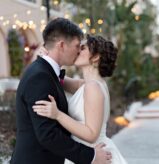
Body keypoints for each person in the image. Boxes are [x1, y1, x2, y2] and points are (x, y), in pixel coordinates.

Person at [11, 18, 111, 164]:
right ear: (62, 45)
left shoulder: (48, 73)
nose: (78, 50)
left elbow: (69, 82)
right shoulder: (40, 76)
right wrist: (91, 157)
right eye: (78, 46)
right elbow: (48, 134)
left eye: (82, 48)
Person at [32, 34, 128, 164]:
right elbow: (59, 79)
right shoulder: (88, 84)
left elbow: (91, 134)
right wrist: (48, 58)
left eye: (83, 48)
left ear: (95, 57)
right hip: (86, 151)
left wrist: (57, 115)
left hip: (93, 153)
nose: (77, 50)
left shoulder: (92, 87)